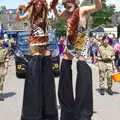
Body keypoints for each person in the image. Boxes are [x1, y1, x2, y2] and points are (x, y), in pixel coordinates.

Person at [53, 0, 102, 120]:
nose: (66, 5)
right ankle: (67, 109)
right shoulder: (66, 13)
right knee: (65, 69)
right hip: (69, 44)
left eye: (68, 2)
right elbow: (58, 15)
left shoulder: (82, 10)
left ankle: (82, 111)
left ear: (74, 2)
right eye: (64, 4)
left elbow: (98, 7)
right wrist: (53, 7)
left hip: (81, 44)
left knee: (82, 71)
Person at [16, 0, 58, 120]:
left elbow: (53, 5)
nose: (39, 6)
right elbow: (18, 19)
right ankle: (33, 109)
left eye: (41, 4)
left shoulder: (45, 13)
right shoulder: (30, 14)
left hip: (45, 43)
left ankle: (47, 107)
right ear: (34, 5)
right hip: (34, 44)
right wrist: (19, 10)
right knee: (35, 71)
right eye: (37, 4)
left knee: (46, 69)